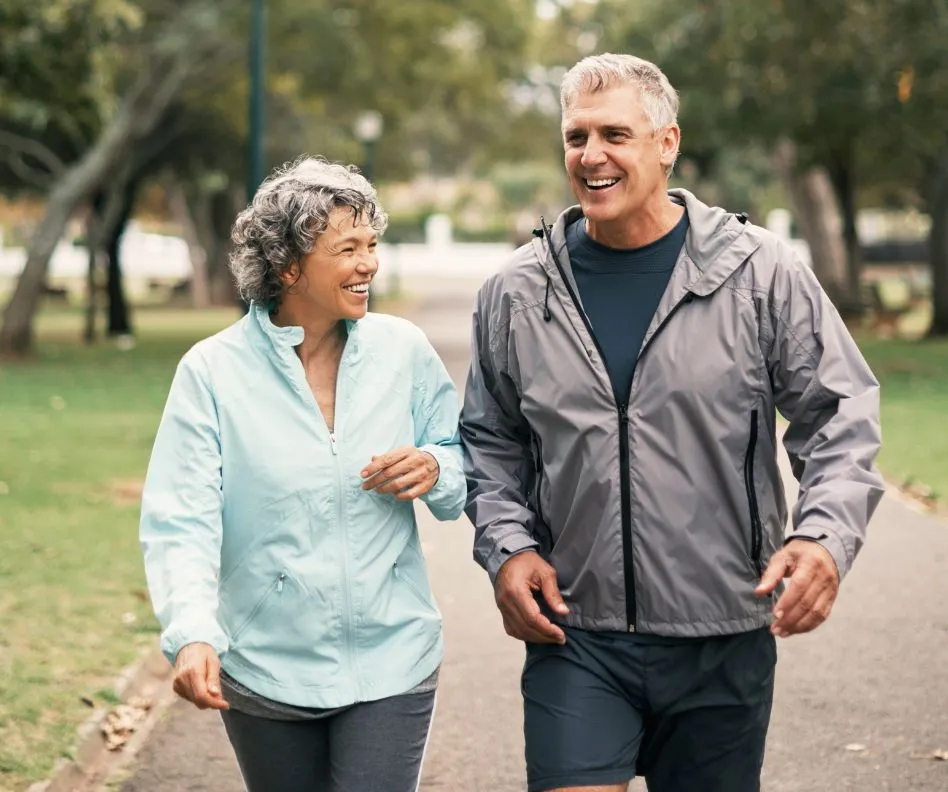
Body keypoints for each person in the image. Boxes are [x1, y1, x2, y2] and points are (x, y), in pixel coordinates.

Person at [460, 53, 884, 792]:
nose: (590, 155)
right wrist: (507, 546)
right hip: (576, 633)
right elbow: (491, 438)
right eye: (575, 136)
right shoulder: (518, 292)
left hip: (723, 633)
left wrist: (824, 535)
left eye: (614, 134)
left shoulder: (761, 274)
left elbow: (839, 411)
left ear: (667, 143)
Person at [140, 157, 465, 792]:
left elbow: (463, 455)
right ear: (289, 266)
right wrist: (193, 633)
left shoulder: (404, 352)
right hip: (265, 668)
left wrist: (435, 466)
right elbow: (182, 518)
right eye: (347, 248)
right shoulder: (212, 373)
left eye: (372, 244)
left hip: (393, 660)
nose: (370, 263)